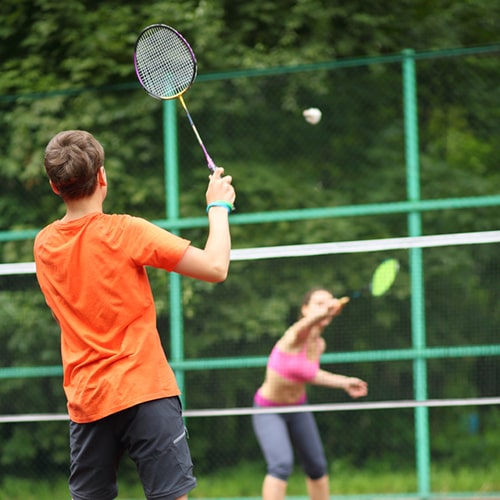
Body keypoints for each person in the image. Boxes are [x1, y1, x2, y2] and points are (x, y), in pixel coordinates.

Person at [33, 130, 236, 500]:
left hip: (88, 399)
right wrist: (218, 206)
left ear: (54, 185)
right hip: (145, 390)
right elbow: (215, 266)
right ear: (102, 178)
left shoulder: (44, 244)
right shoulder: (126, 231)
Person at [252, 287, 368, 500]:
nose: (325, 308)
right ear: (305, 309)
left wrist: (345, 383)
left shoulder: (319, 344)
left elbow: (311, 374)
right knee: (281, 465)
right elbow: (306, 325)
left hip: (298, 408)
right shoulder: (294, 336)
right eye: (319, 303)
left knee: (317, 466)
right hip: (269, 410)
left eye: (329, 302)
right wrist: (327, 310)